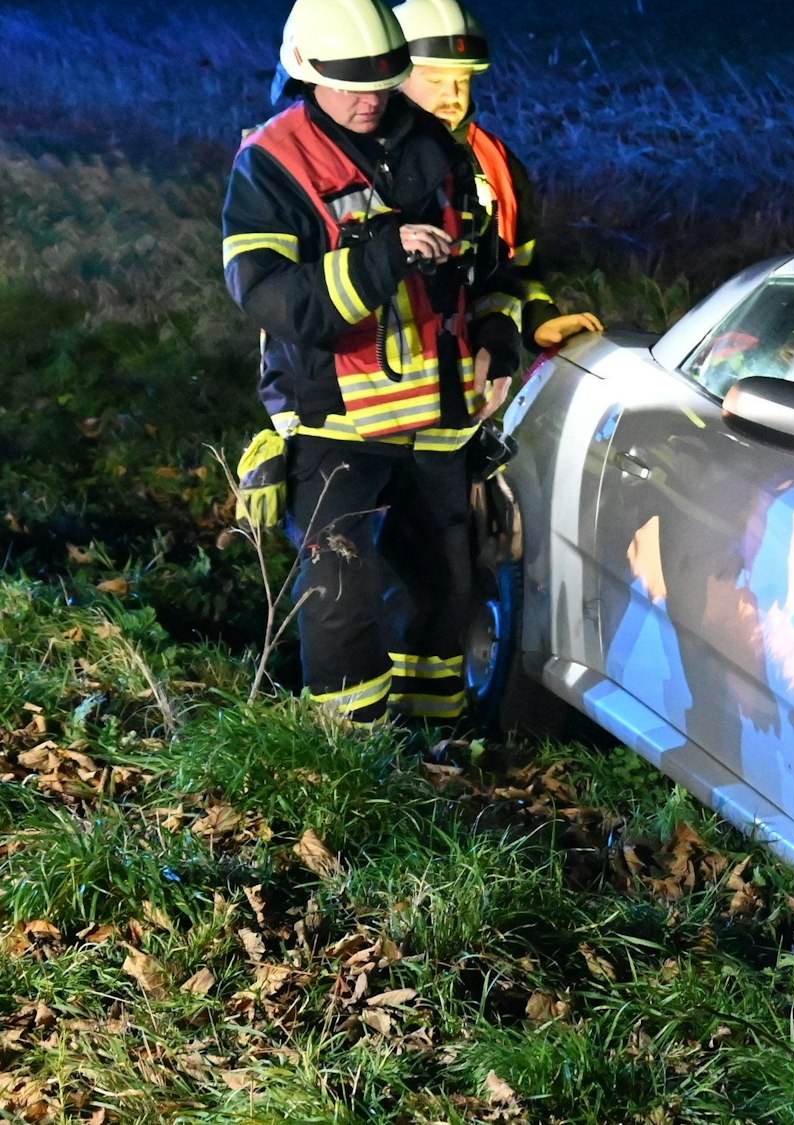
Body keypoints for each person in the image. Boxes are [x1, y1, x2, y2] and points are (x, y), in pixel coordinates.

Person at [222, 0, 523, 724]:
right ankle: (349, 752)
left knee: (444, 584)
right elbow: (272, 298)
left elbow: (489, 265)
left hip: (439, 415)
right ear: (306, 73)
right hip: (334, 417)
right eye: (350, 84)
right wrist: (381, 257)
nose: (368, 99)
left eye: (382, 81)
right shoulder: (272, 164)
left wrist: (498, 331)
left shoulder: (436, 147)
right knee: (341, 590)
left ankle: (436, 743)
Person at [393, 0, 603, 375]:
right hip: (375, 373)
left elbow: (521, 264)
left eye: (464, 80)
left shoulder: (496, 159)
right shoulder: (363, 161)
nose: (453, 94)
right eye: (435, 80)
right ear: (394, 78)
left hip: (469, 371)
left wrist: (539, 320)